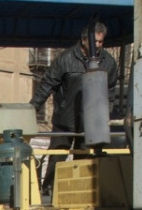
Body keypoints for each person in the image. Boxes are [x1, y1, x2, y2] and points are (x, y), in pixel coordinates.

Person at [29, 22, 119, 194]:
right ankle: (49, 189)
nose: (98, 46)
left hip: (90, 123)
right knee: (57, 155)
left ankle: (79, 193)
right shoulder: (66, 58)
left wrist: (106, 113)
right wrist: (32, 108)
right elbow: (47, 84)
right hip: (65, 119)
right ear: (84, 40)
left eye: (101, 42)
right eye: (96, 42)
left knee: (84, 158)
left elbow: (110, 90)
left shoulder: (109, 62)